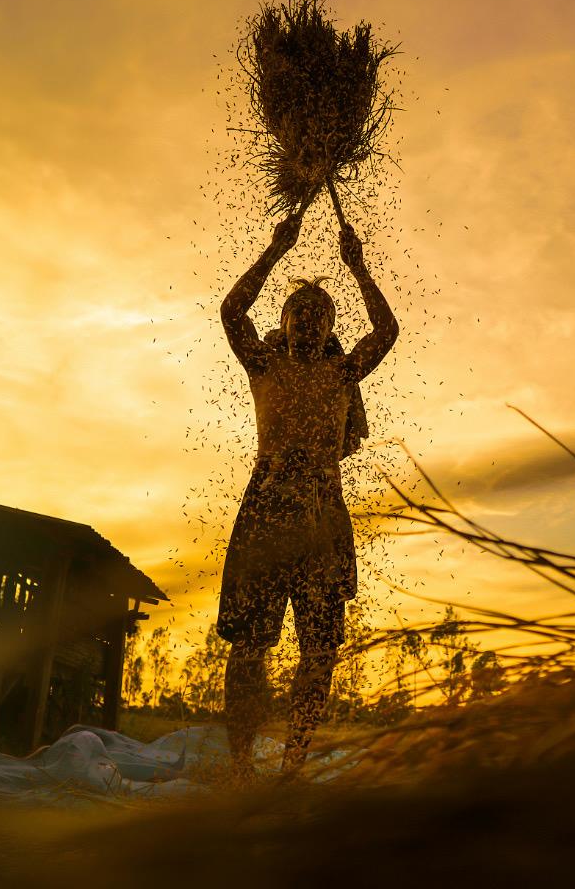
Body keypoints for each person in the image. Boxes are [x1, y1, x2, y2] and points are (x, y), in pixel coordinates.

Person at [216, 208, 398, 780]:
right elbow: (231, 311)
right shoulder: (263, 361)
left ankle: (294, 758)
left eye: (320, 315)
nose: (309, 322)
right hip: (266, 508)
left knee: (319, 648)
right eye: (300, 313)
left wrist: (360, 267)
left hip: (323, 516)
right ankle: (241, 762)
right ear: (286, 320)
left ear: (329, 327)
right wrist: (275, 249)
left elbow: (387, 332)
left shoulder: (343, 373)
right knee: (250, 646)